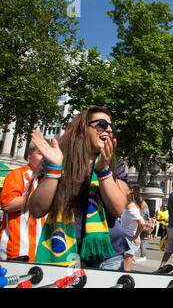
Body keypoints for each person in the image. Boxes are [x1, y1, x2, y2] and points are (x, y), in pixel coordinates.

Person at [29, 106, 130, 270]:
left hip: (107, 255)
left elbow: (118, 209)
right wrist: (54, 169)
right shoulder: (59, 158)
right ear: (83, 128)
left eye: (112, 126)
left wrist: (104, 171)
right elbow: (37, 209)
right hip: (65, 252)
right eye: (102, 124)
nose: (109, 129)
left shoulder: (114, 163)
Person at [0, 142, 45, 262]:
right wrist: (40, 196)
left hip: (40, 251)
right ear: (29, 154)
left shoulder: (47, 179)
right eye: (40, 154)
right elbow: (8, 204)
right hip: (17, 250)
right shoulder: (17, 174)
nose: (45, 158)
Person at [120, 185, 145, 270]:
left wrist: (135, 236)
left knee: (125, 268)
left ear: (131, 190)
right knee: (123, 267)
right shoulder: (130, 204)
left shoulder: (131, 206)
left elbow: (142, 224)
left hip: (129, 238)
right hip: (127, 237)